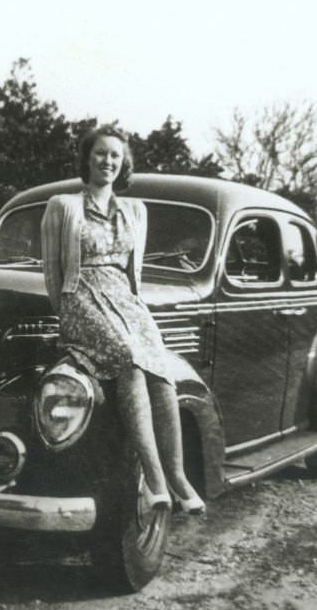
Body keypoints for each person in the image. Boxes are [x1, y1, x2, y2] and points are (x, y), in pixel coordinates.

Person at [41, 124, 205, 514]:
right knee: (128, 360)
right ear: (87, 158)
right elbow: (52, 273)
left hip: (125, 299)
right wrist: (68, 314)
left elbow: (134, 274)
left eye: (115, 155)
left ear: (124, 162)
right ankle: (153, 477)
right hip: (81, 298)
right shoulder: (63, 206)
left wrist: (132, 308)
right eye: (100, 154)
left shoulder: (135, 211)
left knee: (160, 368)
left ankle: (178, 477)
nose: (108, 161)